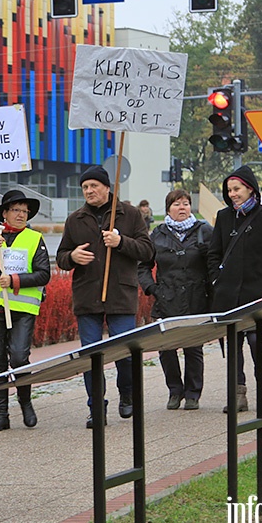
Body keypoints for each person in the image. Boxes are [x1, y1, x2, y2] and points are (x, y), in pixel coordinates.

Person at [56, 166, 154, 428]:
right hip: (87, 295)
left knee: (125, 353)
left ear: (107, 187)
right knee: (92, 355)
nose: (89, 191)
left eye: (94, 186)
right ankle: (96, 406)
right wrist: (72, 257)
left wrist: (121, 242)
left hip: (121, 295)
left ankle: (127, 392)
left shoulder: (130, 215)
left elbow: (147, 251)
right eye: (85, 187)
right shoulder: (75, 219)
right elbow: (61, 257)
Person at [207, 165, 262, 413]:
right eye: (229, 190)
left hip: (256, 293)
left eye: (237, 189)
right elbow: (213, 253)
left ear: (250, 189)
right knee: (234, 344)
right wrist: (216, 279)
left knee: (255, 341)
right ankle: (238, 394)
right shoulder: (223, 216)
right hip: (228, 294)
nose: (232, 194)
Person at [0, 190, 50, 432]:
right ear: (4, 213)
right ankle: (1, 413)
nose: (21, 215)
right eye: (16, 210)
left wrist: (15, 280)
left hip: (21, 309)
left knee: (19, 357)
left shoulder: (34, 238)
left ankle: (26, 403)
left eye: (24, 211)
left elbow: (44, 274)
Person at [138, 190, 213, 411]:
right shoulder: (158, 234)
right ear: (168, 208)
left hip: (195, 298)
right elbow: (143, 266)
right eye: (177, 204)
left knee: (193, 347)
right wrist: (152, 288)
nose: (182, 208)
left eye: (186, 204)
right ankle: (174, 390)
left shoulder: (204, 231)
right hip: (166, 299)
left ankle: (192, 393)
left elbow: (214, 263)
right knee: (167, 349)